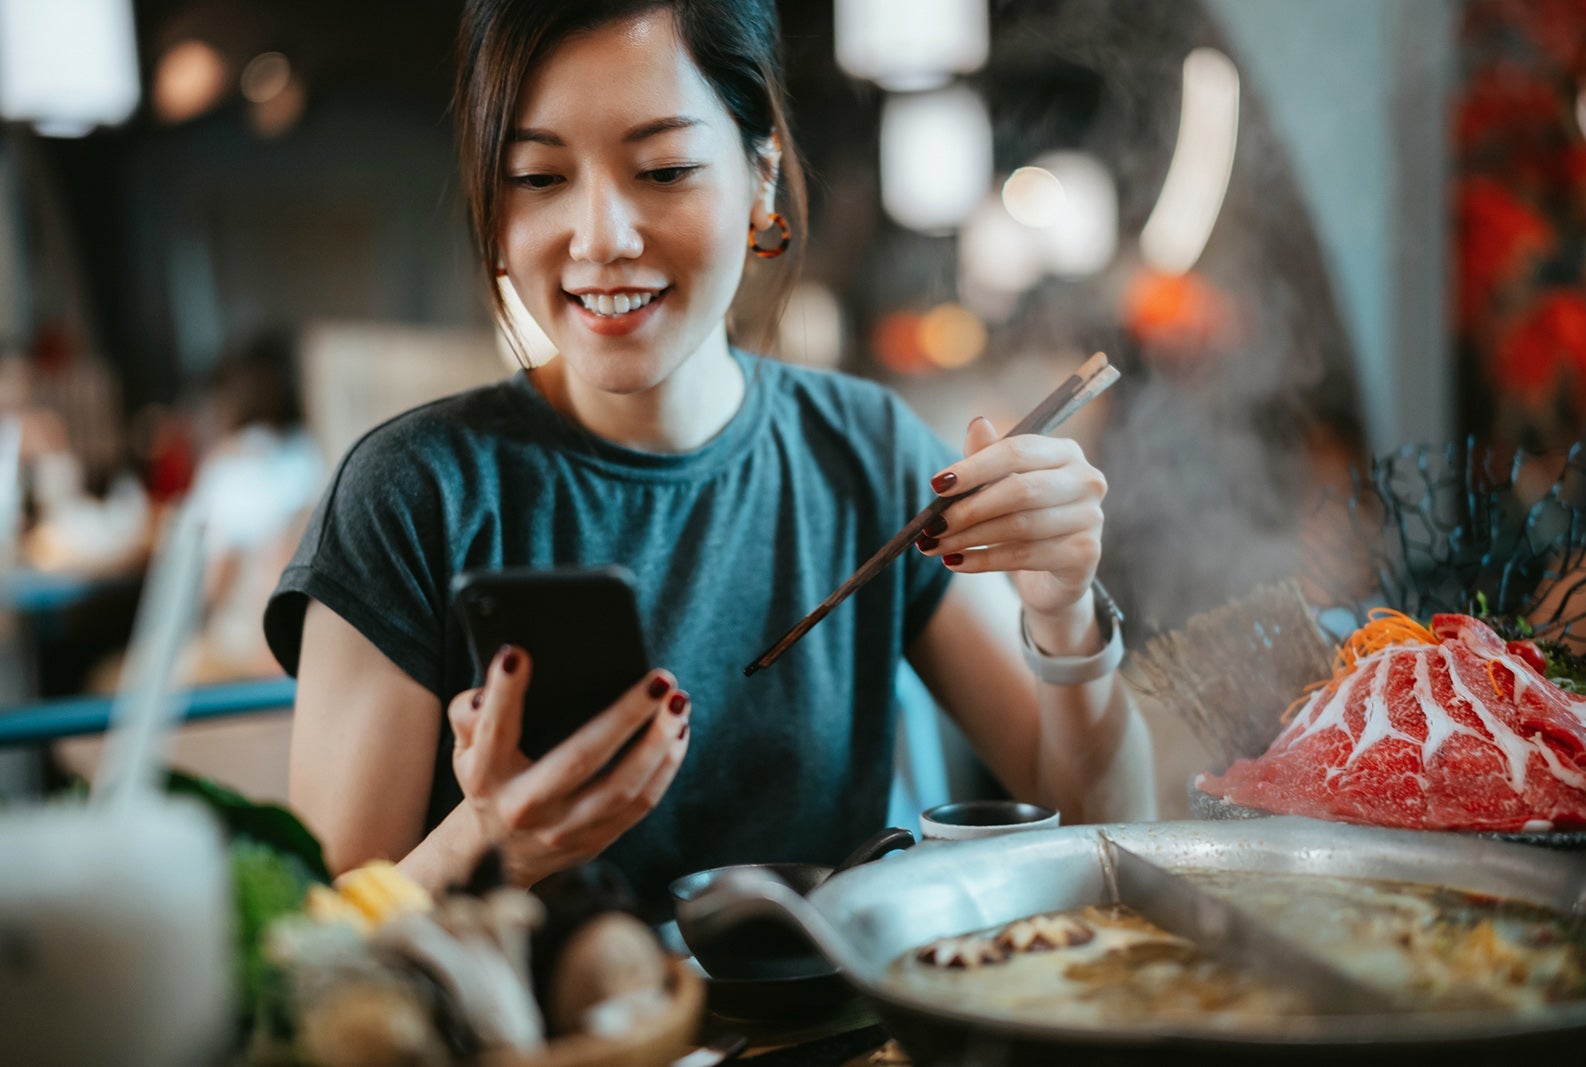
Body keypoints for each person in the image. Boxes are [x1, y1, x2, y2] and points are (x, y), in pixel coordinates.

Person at [265, 0, 1155, 910]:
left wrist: (1063, 612)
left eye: (663, 169)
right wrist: (492, 844)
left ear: (761, 176)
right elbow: (315, 956)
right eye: (538, 177)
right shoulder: (409, 495)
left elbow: (1108, 831)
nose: (601, 238)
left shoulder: (866, 453)